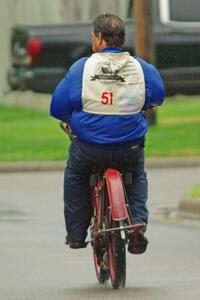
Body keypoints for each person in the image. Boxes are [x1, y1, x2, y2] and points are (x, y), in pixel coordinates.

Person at [50, 14, 164, 254]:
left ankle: (76, 234)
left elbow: (58, 108)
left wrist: (72, 116)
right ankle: (138, 225)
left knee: (76, 175)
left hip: (89, 149)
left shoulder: (81, 68)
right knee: (136, 175)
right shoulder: (142, 68)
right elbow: (157, 96)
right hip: (129, 147)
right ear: (121, 39)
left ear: (99, 39)